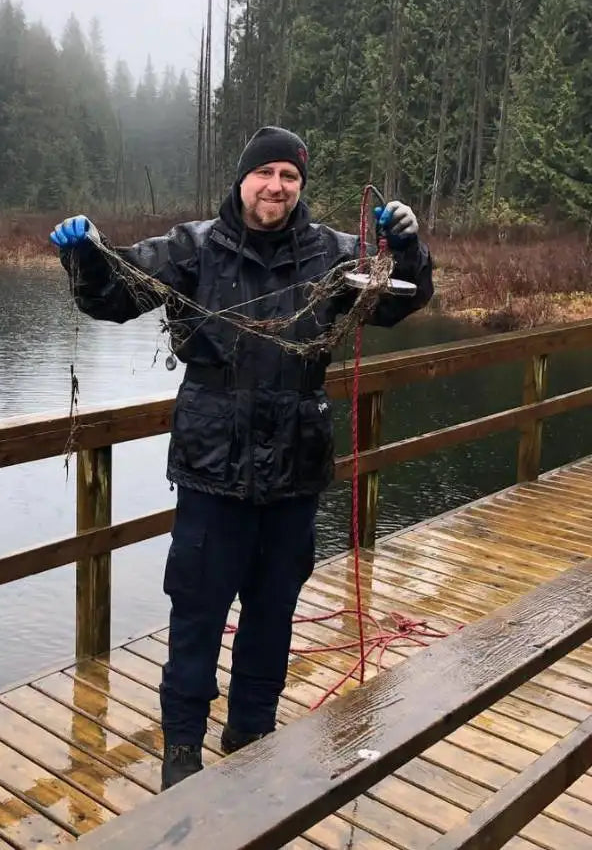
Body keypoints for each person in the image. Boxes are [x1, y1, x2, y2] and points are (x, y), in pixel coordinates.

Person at [49, 126, 434, 791]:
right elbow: (113, 295)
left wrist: (407, 247)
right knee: (196, 613)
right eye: (265, 174)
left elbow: (399, 300)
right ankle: (182, 751)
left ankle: (252, 733)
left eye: (289, 176)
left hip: (294, 472)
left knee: (272, 611)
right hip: (211, 471)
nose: (276, 187)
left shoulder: (335, 255)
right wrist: (85, 254)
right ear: (242, 179)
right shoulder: (194, 249)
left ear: (300, 185)